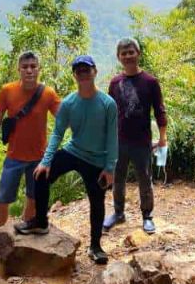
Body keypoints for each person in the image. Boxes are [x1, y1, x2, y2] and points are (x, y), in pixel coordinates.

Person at [14, 55, 118, 265]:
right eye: (79, 71)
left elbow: (113, 137)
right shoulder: (69, 103)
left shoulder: (108, 104)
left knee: (97, 202)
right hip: (74, 152)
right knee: (41, 175)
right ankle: (41, 221)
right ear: (74, 75)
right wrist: (46, 161)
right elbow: (58, 133)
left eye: (86, 70)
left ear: (95, 72)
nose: (83, 74)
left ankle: (96, 246)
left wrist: (109, 168)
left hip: (97, 160)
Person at [0, 51, 62, 265]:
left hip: (39, 158)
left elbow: (62, 120)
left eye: (33, 66)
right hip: (13, 157)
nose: (29, 70)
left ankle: (24, 232)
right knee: (2, 200)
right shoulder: (8, 91)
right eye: (25, 67)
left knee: (32, 197)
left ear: (39, 69)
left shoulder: (48, 94)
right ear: (19, 70)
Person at [104, 37, 168, 234]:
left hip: (142, 141)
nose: (128, 56)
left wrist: (163, 136)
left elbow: (159, 110)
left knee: (144, 179)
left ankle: (147, 216)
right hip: (119, 141)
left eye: (131, 52)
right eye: (124, 53)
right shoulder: (115, 83)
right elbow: (110, 112)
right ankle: (118, 213)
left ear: (138, 54)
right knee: (118, 178)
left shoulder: (150, 82)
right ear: (119, 57)